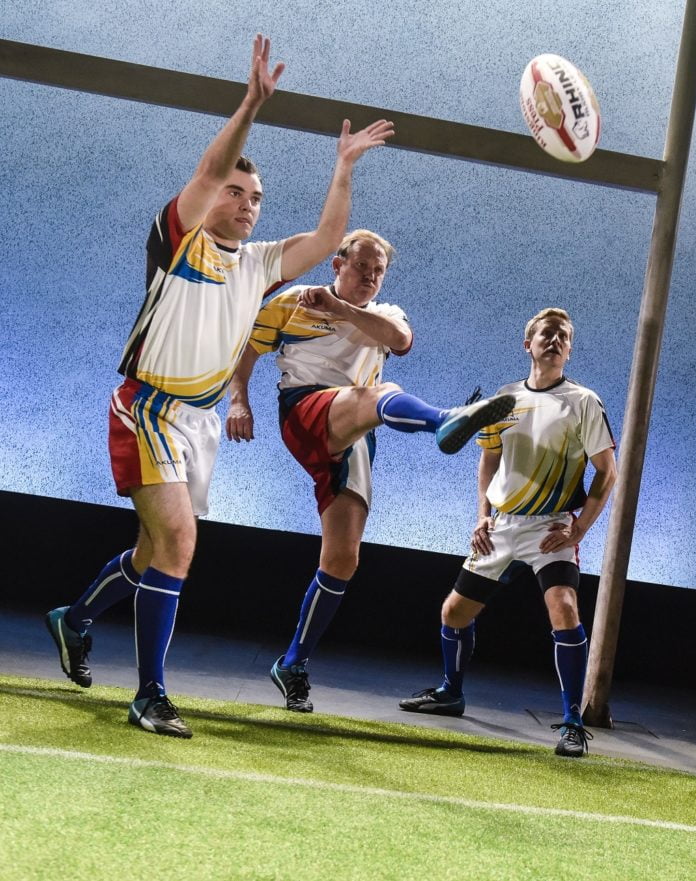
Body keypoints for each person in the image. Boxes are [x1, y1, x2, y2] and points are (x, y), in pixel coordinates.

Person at [44, 35, 395, 738]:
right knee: (178, 540)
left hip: (197, 425)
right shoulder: (178, 238)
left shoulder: (261, 262)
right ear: (210, 197)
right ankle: (149, 693)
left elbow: (328, 236)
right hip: (145, 408)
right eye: (236, 191)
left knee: (151, 555)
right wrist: (251, 104)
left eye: (256, 196)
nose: (247, 203)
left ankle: (75, 617)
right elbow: (208, 168)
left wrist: (344, 167)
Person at [225, 229, 515, 712]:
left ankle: (292, 662)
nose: (370, 277)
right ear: (337, 264)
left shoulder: (384, 314)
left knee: (342, 560)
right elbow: (247, 353)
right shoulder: (294, 301)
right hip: (305, 409)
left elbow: (400, 340)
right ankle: (445, 420)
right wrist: (239, 402)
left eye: (378, 271)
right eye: (362, 267)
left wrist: (340, 310)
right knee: (376, 395)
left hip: (356, 434)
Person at [398, 307, 617, 758]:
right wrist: (481, 516)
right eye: (546, 335)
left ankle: (572, 722)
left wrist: (578, 529)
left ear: (569, 349)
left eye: (563, 337)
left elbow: (607, 471)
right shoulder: (504, 397)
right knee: (454, 613)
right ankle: (450, 692)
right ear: (528, 344)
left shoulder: (583, 401)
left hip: (549, 527)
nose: (554, 341)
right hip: (501, 525)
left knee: (565, 608)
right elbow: (489, 461)